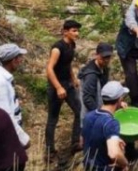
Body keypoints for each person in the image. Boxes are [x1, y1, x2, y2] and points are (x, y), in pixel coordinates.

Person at [45, 19, 82, 158]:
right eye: (74, 31)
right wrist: (58, 87)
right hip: (56, 86)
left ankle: (75, 142)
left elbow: (67, 64)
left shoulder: (72, 45)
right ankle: (49, 151)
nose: (77, 33)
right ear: (65, 31)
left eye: (77, 31)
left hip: (68, 84)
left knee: (79, 111)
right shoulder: (57, 48)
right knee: (53, 118)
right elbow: (49, 69)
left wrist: (73, 78)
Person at [82, 81, 129, 171]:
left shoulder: (88, 116)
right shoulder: (111, 123)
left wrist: (111, 139)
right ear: (119, 99)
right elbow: (114, 153)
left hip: (87, 165)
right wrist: (124, 164)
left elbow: (83, 140)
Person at [78, 42, 113, 119]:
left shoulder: (104, 68)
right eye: (104, 57)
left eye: (108, 57)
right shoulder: (91, 75)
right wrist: (99, 114)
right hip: (91, 114)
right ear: (96, 55)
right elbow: (87, 99)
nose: (106, 60)